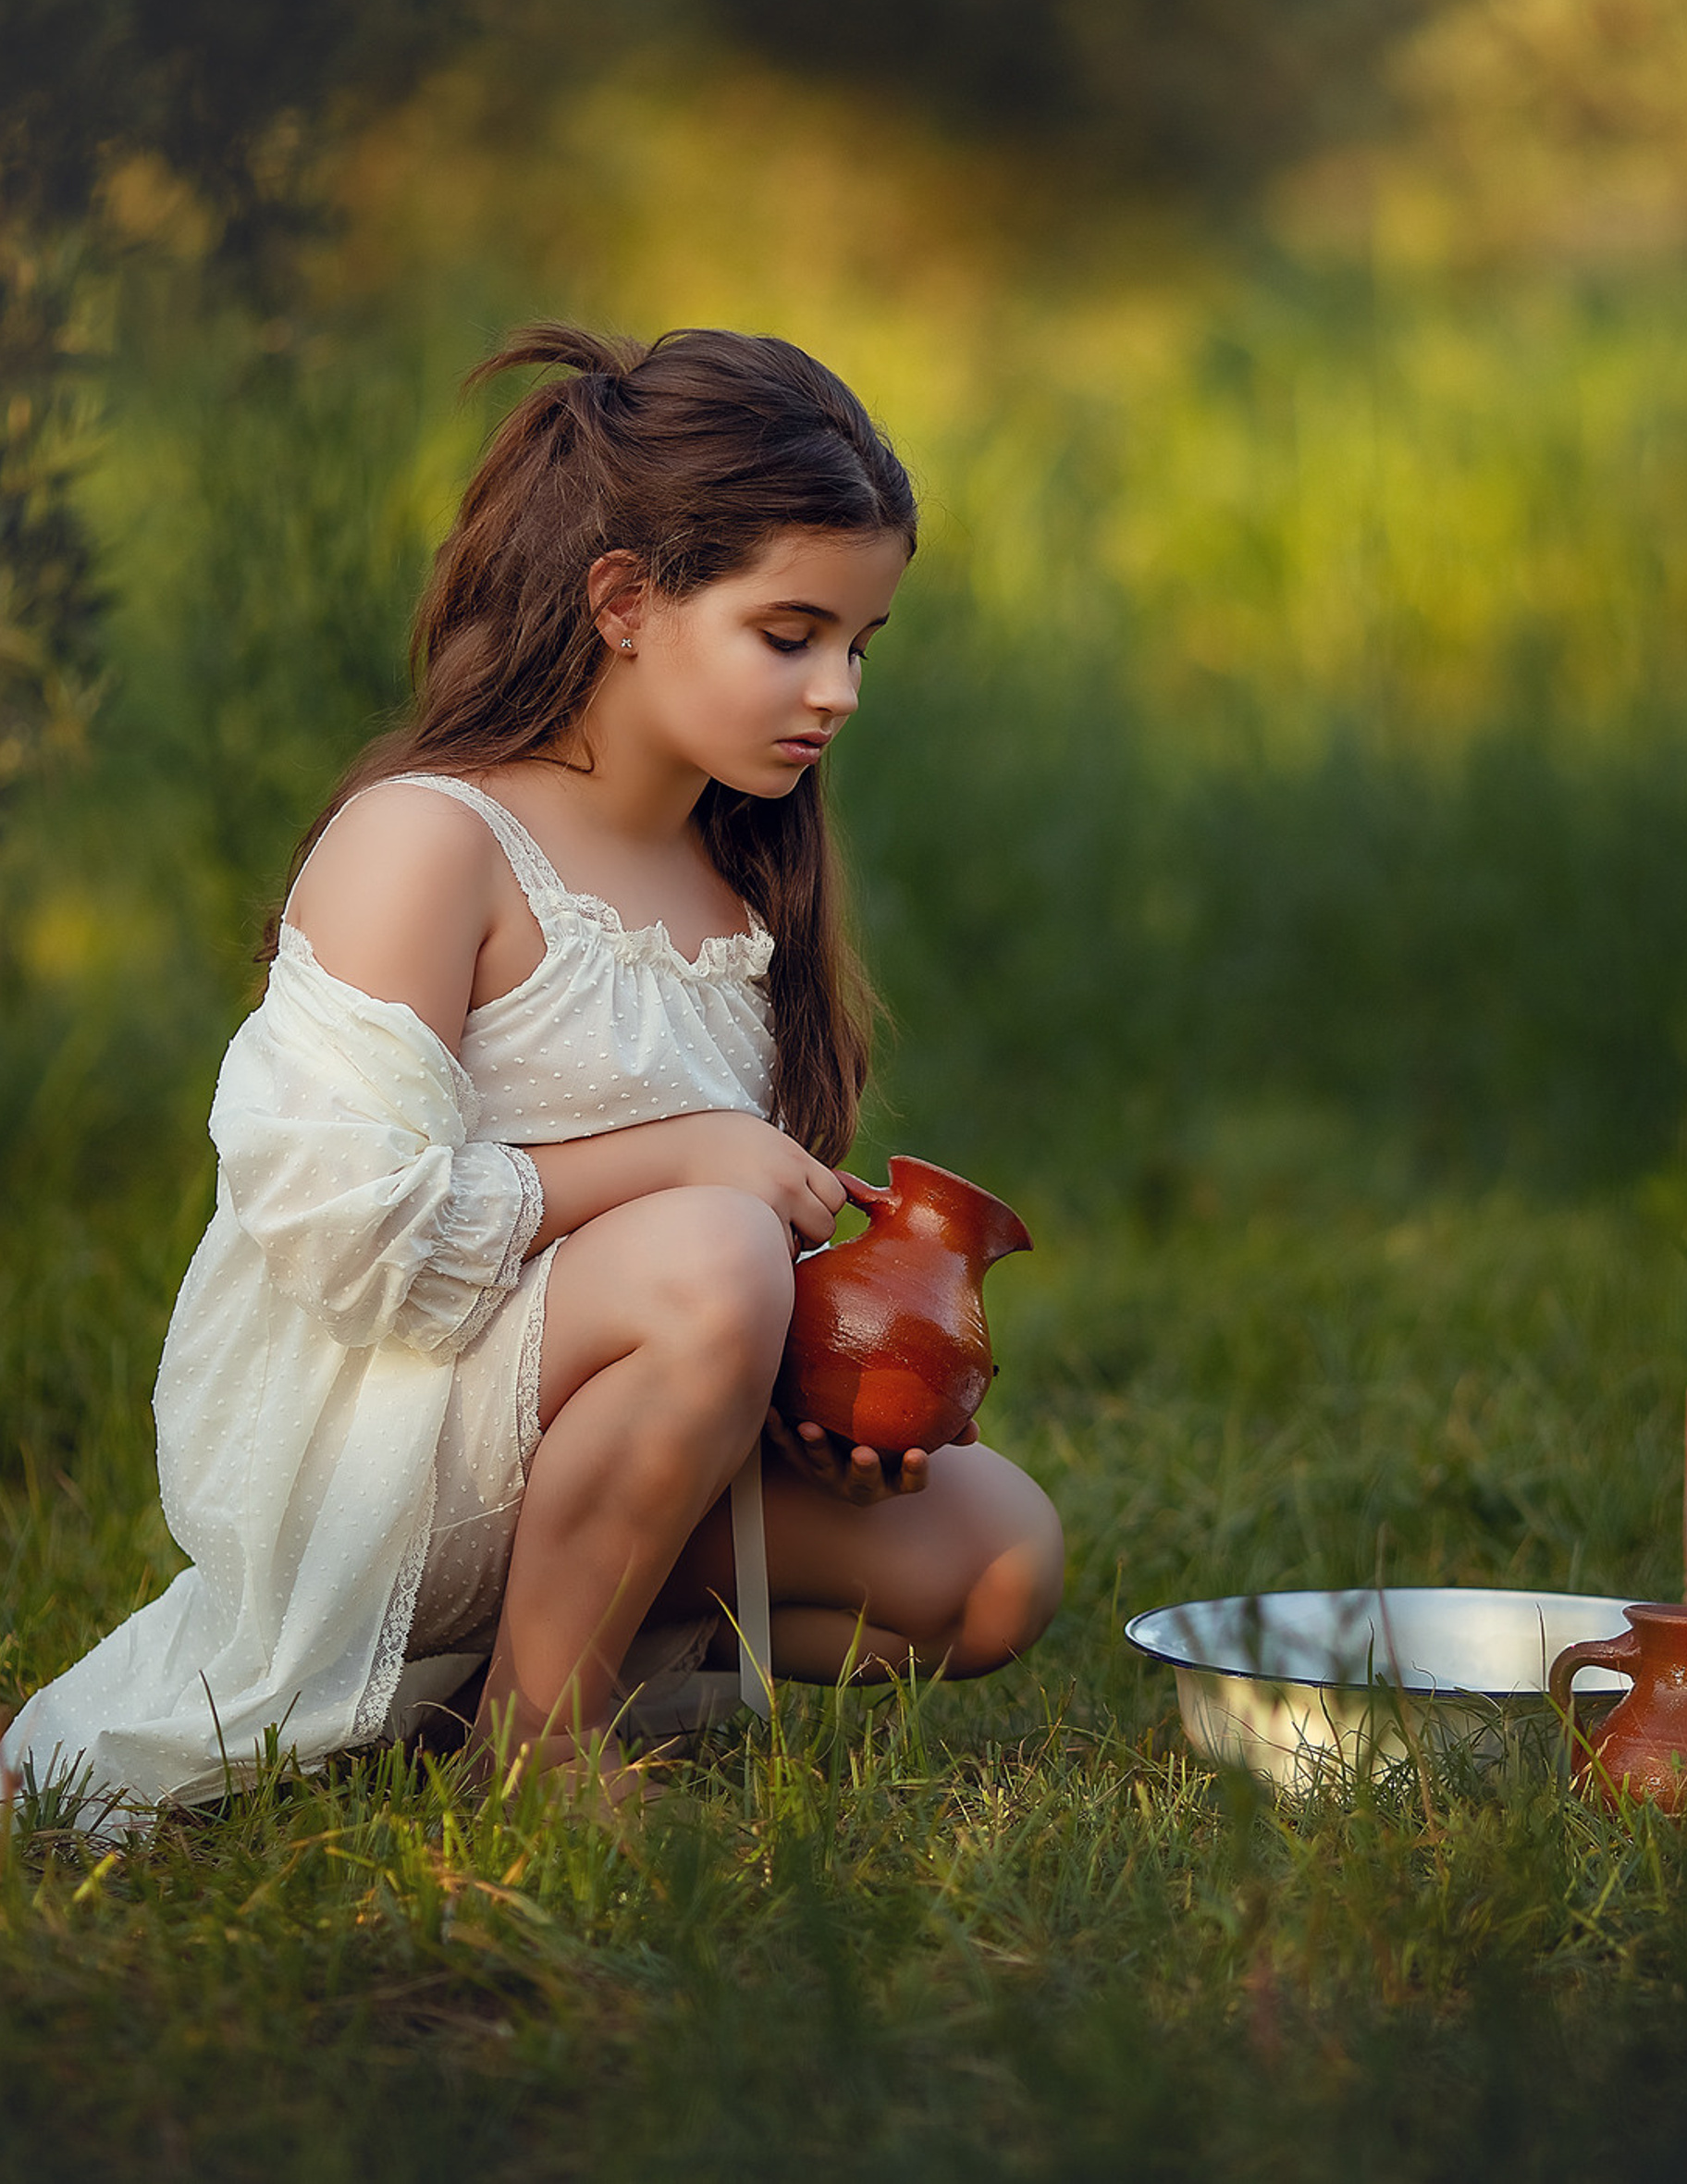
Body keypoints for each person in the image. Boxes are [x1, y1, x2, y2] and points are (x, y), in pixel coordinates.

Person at [3, 325, 1065, 1816]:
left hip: (594, 1432)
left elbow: (696, 1284)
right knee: (709, 1251)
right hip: (384, 1441)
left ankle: (514, 1669)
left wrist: (818, 1408)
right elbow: (346, 1234)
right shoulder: (433, 844)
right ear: (626, 601)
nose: (838, 691)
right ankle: (537, 1745)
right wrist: (691, 1161)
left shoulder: (739, 879)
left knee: (1002, 1565)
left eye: (859, 646)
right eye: (790, 634)